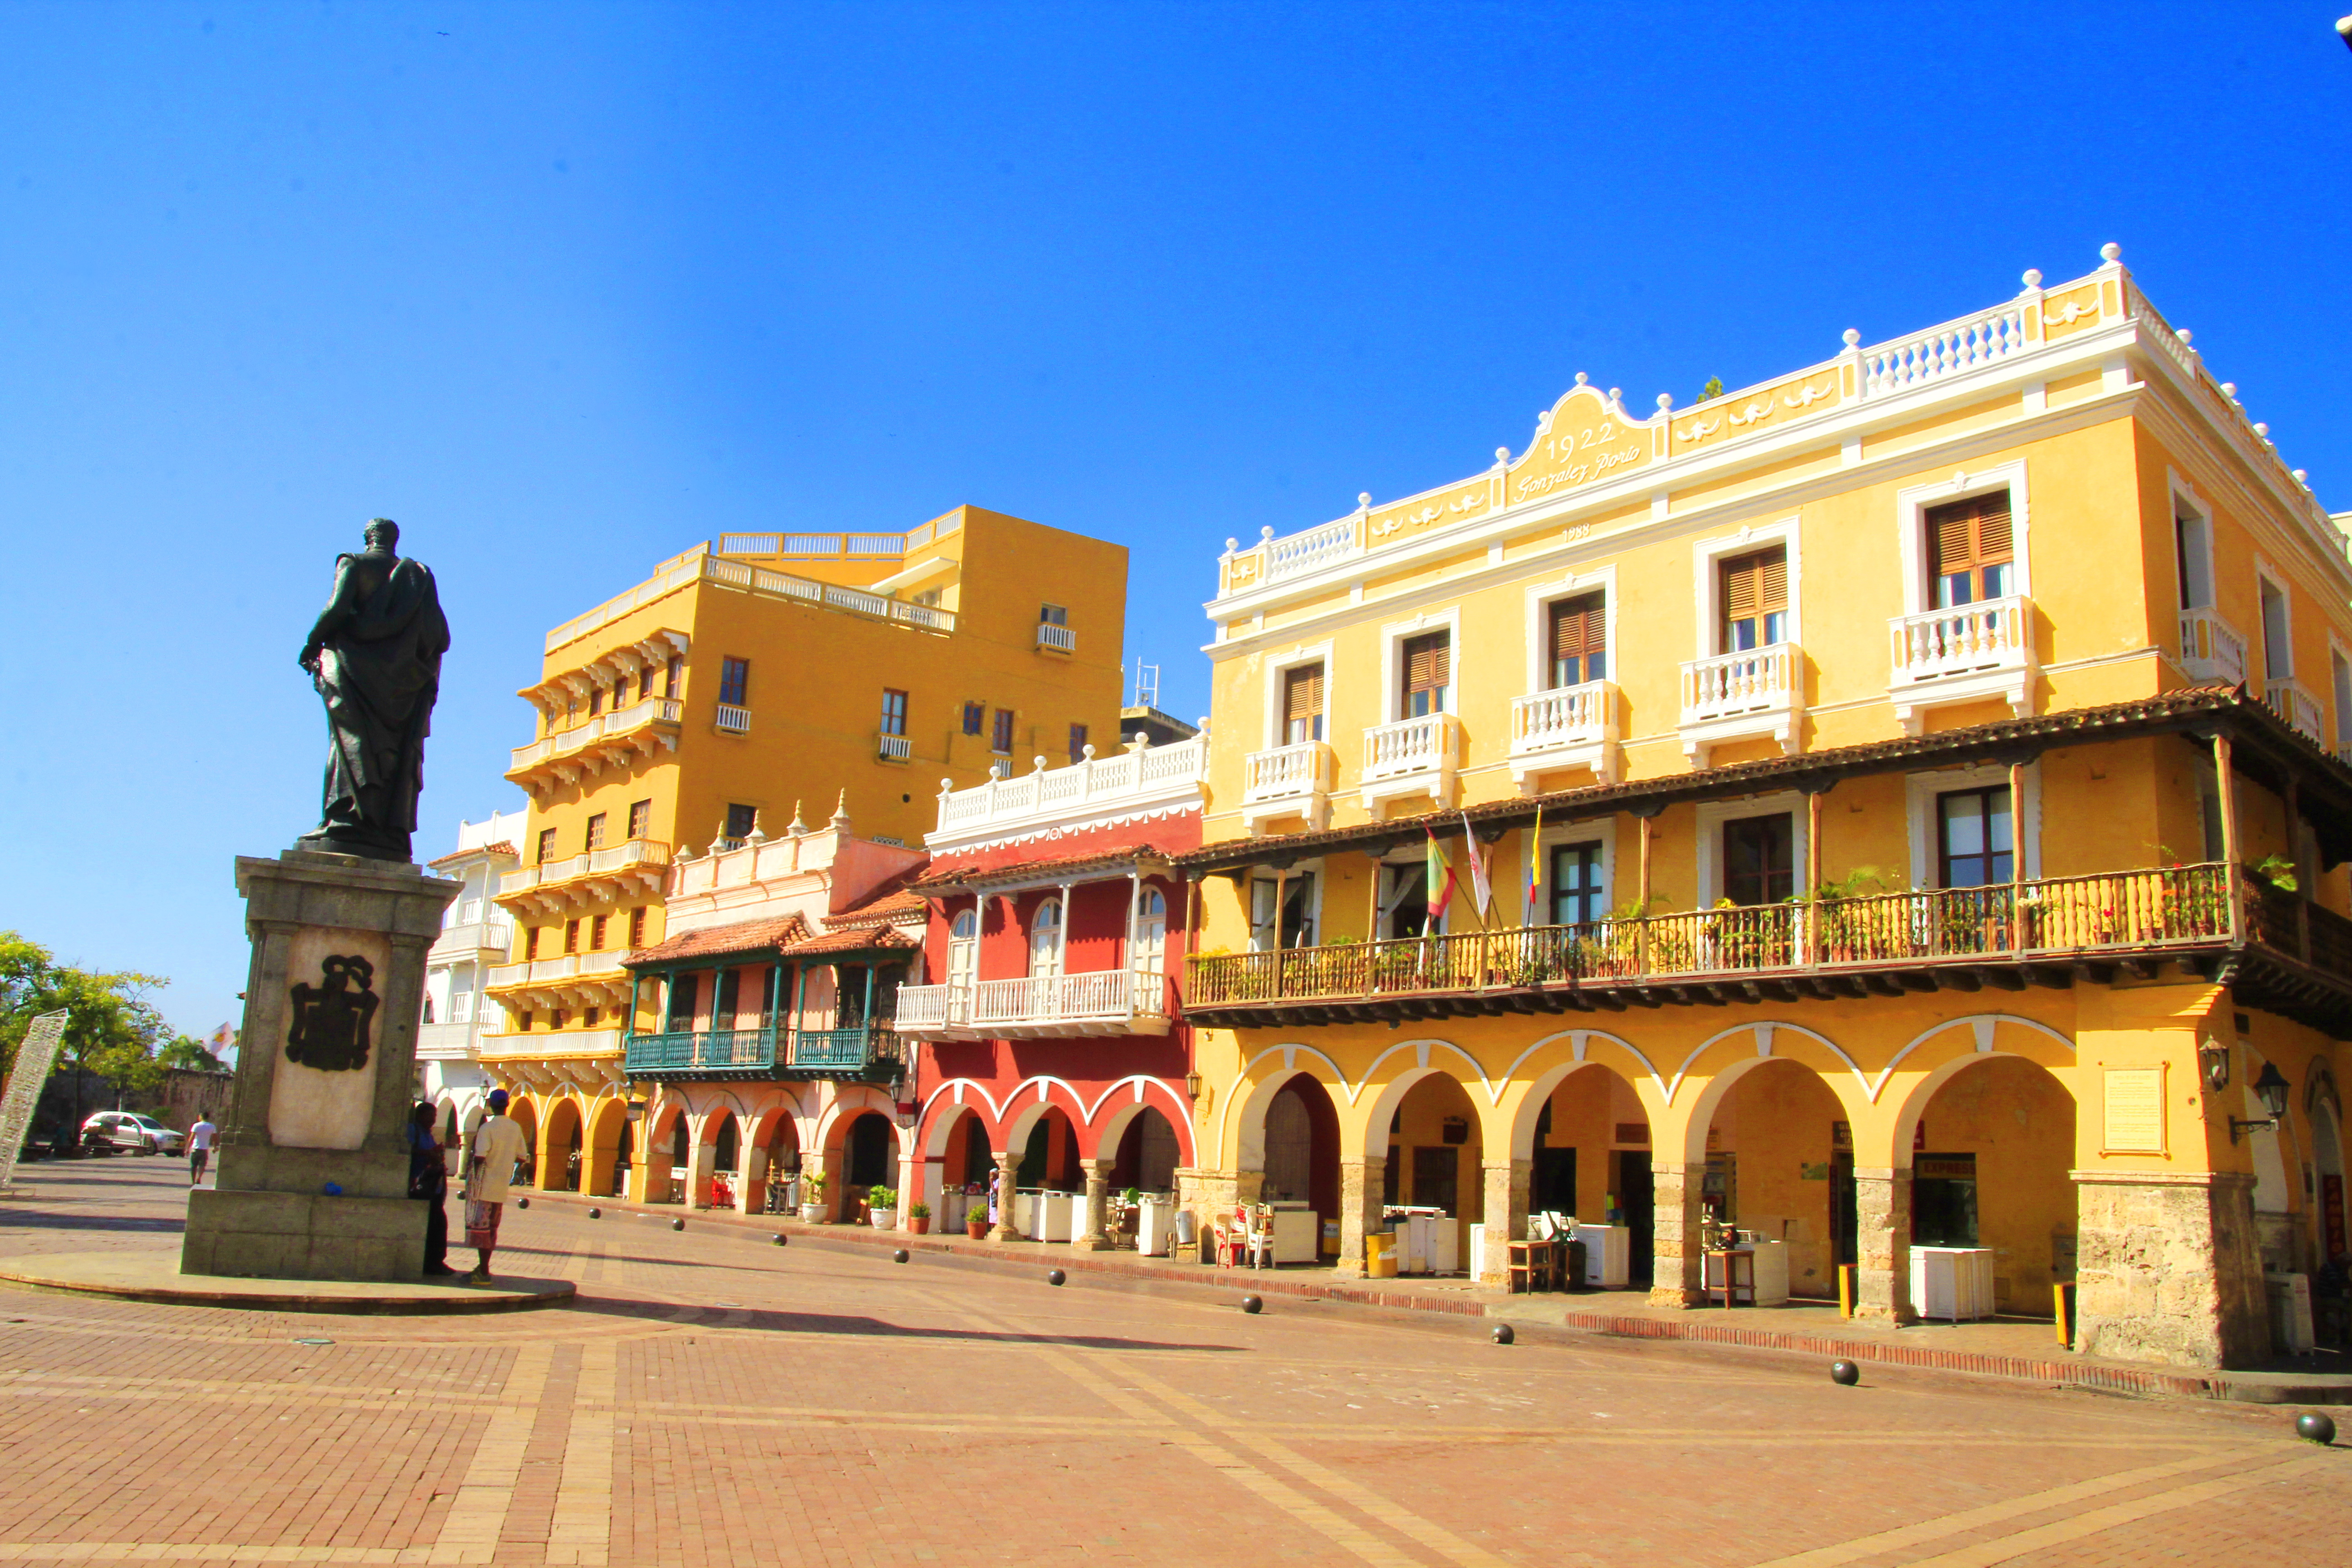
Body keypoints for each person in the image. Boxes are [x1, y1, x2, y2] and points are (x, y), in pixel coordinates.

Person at [462, 1090, 530, 1283]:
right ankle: (483, 1267)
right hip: (501, 1187)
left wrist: (474, 1176)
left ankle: (483, 1271)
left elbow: (480, 1156)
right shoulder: (515, 1127)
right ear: (507, 1104)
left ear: (492, 1104)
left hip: (484, 1186)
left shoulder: (488, 1128)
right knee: (492, 1229)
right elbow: (522, 1156)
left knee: (481, 1230)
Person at [406, 1101, 455, 1277]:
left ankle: (436, 1261)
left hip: (432, 1185)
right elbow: (408, 1149)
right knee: (436, 1223)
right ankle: (432, 1263)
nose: (434, 1120)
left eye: (435, 1116)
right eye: (431, 1116)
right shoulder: (414, 1130)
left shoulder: (428, 1133)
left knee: (438, 1223)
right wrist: (428, 1154)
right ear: (421, 1115)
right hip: (419, 1184)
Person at [186, 1116, 216, 1188]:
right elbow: (215, 1137)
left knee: (194, 1166)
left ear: (201, 1117)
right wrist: (216, 1147)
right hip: (205, 1148)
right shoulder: (212, 1126)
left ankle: (193, 1181)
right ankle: (198, 1178)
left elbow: (192, 1137)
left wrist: (187, 1148)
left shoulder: (196, 1125)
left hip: (196, 1148)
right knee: (202, 1165)